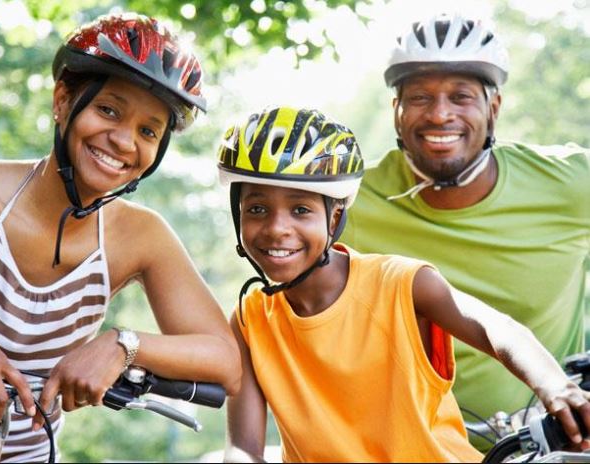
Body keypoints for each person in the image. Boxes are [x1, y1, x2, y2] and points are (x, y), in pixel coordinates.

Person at [0, 12, 240, 462]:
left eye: (148, 131)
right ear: (63, 100)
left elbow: (225, 360)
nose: (123, 141)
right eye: (108, 110)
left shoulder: (139, 236)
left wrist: (123, 345)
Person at [217, 106, 590, 462]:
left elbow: (498, 329)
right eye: (257, 209)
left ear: (333, 220)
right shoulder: (250, 319)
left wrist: (553, 385)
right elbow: (244, 447)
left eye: (301, 210)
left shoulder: (400, 282)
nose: (277, 228)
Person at [340, 11, 590, 432]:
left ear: (493, 107)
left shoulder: (571, 185)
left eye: (461, 96)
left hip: (545, 439)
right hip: (400, 442)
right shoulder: (347, 200)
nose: (440, 115)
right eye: (420, 97)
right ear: (395, 109)